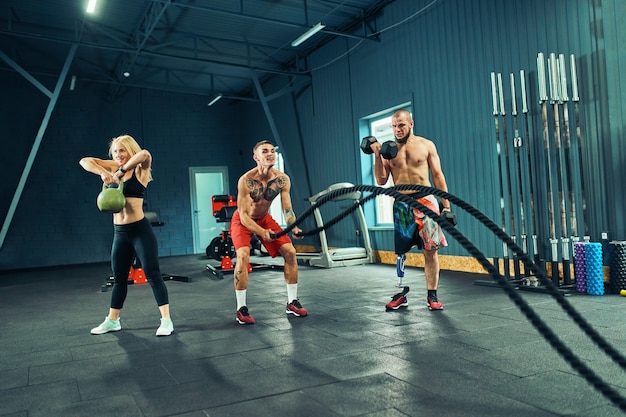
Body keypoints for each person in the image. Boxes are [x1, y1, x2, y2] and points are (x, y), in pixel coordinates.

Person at [79, 134, 174, 336]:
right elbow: (84, 161)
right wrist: (103, 173)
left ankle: (166, 321)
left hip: (140, 230)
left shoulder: (140, 170)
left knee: (152, 274)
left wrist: (121, 172)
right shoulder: (112, 167)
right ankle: (113, 321)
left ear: (130, 150)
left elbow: (145, 154)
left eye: (122, 150)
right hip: (119, 233)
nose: (118, 154)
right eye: (115, 151)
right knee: (119, 278)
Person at [372, 109, 451, 311]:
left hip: (425, 201)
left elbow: (438, 176)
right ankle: (400, 293)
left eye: (401, 125)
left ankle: (432, 295)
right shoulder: (389, 150)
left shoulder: (426, 145)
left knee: (430, 251)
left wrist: (447, 207)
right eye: (394, 126)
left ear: (411, 124)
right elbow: (381, 180)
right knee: (401, 252)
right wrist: (377, 155)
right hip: (402, 204)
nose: (397, 130)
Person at [230, 139, 308, 325]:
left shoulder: (282, 179)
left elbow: (287, 209)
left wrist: (293, 226)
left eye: (272, 150)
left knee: (290, 252)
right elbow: (243, 216)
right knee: (243, 255)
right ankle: (241, 309)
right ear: (256, 157)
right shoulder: (246, 181)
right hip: (243, 220)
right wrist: (262, 232)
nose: (270, 153)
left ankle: (292, 302)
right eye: (265, 151)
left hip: (265, 218)